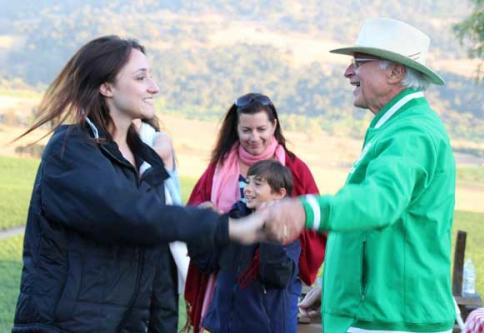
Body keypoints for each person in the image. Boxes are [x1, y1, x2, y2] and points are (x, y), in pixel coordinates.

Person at [12, 35, 264, 333]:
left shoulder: (145, 162)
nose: (154, 88)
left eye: (151, 77)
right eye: (141, 77)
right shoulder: (71, 151)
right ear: (106, 87)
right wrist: (226, 227)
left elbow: (157, 265)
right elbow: (131, 214)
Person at [259, 18, 457, 333]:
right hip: (384, 312)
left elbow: (377, 203)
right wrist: (338, 282)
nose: (348, 72)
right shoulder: (395, 125)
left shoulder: (411, 132)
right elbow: (374, 231)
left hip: (392, 320)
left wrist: (306, 209)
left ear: (396, 72)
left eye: (358, 63)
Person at [184, 92, 326, 332]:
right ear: (236, 129)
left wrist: (275, 227)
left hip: (269, 297)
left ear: (274, 126)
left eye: (261, 129)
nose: (254, 137)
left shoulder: (295, 169)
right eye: (246, 130)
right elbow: (195, 218)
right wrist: (210, 221)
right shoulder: (219, 168)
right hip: (227, 286)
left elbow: (315, 224)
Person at [189, 159, 300, 333]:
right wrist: (200, 230)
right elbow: (207, 263)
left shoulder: (287, 233)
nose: (247, 189)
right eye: (247, 182)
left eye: (257, 184)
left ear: (279, 193)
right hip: (222, 326)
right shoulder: (235, 222)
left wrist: (269, 233)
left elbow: (277, 277)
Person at [134, 117, 190, 295]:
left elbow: (158, 153)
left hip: (163, 243)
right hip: (135, 238)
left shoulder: (158, 138)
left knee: (161, 309)